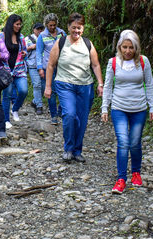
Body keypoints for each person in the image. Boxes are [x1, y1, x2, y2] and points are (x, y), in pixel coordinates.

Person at [101, 30, 153, 194]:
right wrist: (105, 107)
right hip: (119, 108)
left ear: (136, 47)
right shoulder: (113, 62)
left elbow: (150, 84)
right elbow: (107, 86)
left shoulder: (143, 61)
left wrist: (152, 105)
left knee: (134, 142)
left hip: (139, 109)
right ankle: (121, 179)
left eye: (131, 47)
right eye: (124, 47)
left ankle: (136, 172)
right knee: (123, 143)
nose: (127, 51)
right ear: (119, 47)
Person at [44, 13, 104, 163]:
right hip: (65, 84)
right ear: (68, 27)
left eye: (79, 28)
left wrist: (100, 84)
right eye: (73, 28)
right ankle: (68, 148)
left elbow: (95, 65)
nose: (76, 31)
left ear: (83, 28)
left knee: (81, 120)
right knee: (69, 115)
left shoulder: (88, 44)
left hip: (85, 86)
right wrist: (48, 86)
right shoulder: (61, 42)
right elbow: (51, 65)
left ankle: (77, 151)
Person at [0, 14, 28, 129]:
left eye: (20, 24)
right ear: (11, 24)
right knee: (7, 94)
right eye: (17, 24)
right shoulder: (2, 36)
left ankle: (15, 109)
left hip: (19, 69)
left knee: (23, 91)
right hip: (6, 70)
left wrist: (25, 54)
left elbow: (25, 52)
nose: (19, 26)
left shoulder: (21, 37)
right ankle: (6, 120)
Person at [36, 13, 66, 125]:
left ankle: (60, 110)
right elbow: (39, 53)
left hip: (62, 66)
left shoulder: (62, 33)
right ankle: (53, 116)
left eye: (54, 25)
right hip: (48, 67)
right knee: (51, 92)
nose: (52, 27)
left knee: (63, 89)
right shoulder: (42, 36)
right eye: (50, 25)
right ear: (46, 25)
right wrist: (39, 68)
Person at [26, 22, 45, 115]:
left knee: (44, 86)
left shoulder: (46, 37)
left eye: (41, 29)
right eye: (38, 29)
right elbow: (22, 51)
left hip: (44, 65)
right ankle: (39, 106)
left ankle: (34, 101)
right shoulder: (28, 39)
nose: (40, 30)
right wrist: (30, 47)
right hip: (32, 65)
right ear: (34, 29)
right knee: (37, 85)